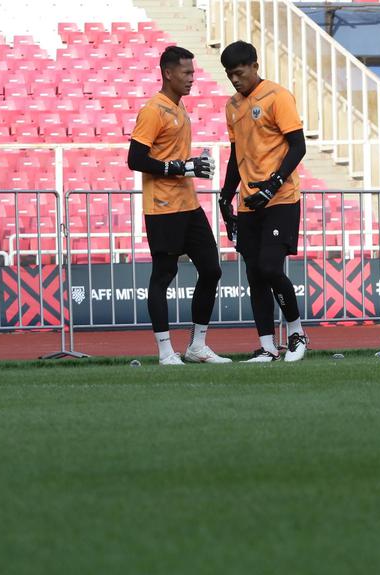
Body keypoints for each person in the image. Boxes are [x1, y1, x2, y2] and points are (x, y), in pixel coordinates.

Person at [128, 45, 230, 365]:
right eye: (186, 72)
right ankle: (164, 351)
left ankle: (197, 345)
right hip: (163, 207)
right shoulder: (153, 110)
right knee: (164, 275)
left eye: (193, 72)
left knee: (212, 269)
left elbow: (171, 157)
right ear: (168, 73)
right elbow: (135, 159)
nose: (192, 78)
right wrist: (181, 167)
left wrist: (190, 165)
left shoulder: (179, 107)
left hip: (188, 204)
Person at [217, 41, 308, 363]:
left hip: (281, 199)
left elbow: (298, 146)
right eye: (230, 76)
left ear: (254, 66)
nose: (235, 80)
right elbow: (235, 154)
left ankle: (297, 334)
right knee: (255, 273)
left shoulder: (277, 96)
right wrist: (225, 194)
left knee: (270, 267)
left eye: (239, 73)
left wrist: (274, 183)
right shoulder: (231, 106)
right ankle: (267, 347)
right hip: (248, 203)